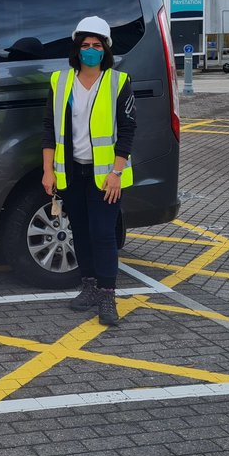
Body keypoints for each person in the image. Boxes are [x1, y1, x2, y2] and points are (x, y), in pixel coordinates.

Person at [41, 16, 137, 326]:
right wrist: (48, 171)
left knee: (103, 234)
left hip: (106, 176)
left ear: (106, 49)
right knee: (79, 232)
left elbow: (128, 129)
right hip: (71, 173)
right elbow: (48, 128)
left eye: (97, 45)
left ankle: (108, 295)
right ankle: (89, 287)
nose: (91, 51)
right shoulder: (60, 81)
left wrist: (117, 172)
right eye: (85, 45)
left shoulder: (118, 82)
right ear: (77, 49)